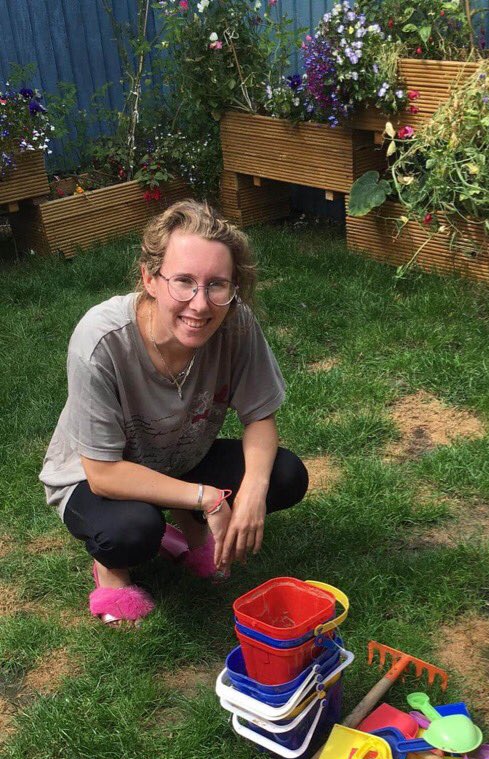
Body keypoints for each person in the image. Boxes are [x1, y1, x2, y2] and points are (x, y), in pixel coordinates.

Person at [39, 200, 308, 624]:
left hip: (180, 457)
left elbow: (259, 417)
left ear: (234, 287)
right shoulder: (101, 340)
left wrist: (252, 490)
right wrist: (209, 499)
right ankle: (112, 571)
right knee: (132, 532)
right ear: (149, 278)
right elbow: (104, 474)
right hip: (94, 478)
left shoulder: (236, 323)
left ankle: (186, 516)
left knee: (284, 476)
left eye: (217, 285)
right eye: (183, 281)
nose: (200, 305)